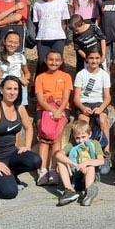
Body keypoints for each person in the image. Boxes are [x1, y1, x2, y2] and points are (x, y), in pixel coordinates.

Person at [0, 76, 41, 199]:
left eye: (16, 89)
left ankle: (10, 174)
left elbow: (29, 127)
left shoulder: (20, 108)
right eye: (9, 88)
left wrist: (27, 146)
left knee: (35, 160)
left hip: (11, 154)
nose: (12, 92)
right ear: (1, 90)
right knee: (10, 192)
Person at [34, 51, 73, 185]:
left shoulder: (66, 76)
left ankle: (53, 169)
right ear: (46, 60)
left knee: (56, 137)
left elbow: (66, 97)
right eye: (51, 59)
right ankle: (42, 170)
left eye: (57, 60)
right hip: (44, 109)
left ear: (61, 62)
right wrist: (52, 110)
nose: (54, 62)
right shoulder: (40, 77)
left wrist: (59, 110)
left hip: (62, 109)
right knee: (44, 137)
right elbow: (40, 99)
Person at [72, 48, 112, 168]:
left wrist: (101, 108)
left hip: (99, 103)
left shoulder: (104, 75)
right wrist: (83, 108)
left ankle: (106, 150)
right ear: (87, 59)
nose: (94, 61)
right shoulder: (81, 74)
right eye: (91, 58)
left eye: (96, 58)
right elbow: (76, 98)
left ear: (100, 59)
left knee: (102, 120)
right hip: (84, 103)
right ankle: (83, 150)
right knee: (83, 122)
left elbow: (107, 97)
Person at [53, 120, 104, 207]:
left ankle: (88, 192)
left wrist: (85, 163)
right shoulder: (72, 145)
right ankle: (69, 191)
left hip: (89, 174)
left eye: (83, 137)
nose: (80, 141)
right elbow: (58, 154)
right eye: (78, 138)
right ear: (74, 137)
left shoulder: (95, 144)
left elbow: (101, 161)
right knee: (60, 162)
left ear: (90, 134)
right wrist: (72, 164)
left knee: (91, 166)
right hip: (76, 173)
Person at [32, 0, 70, 71]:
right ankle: (41, 84)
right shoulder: (37, 5)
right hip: (42, 39)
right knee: (43, 63)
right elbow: (36, 24)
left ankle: (60, 85)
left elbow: (64, 23)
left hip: (58, 38)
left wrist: (64, 38)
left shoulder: (62, 4)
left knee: (57, 63)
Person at [0, 31, 30, 106]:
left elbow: (27, 73)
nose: (12, 45)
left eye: (15, 42)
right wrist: (19, 79)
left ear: (19, 44)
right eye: (10, 41)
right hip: (5, 88)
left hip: (19, 88)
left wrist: (26, 80)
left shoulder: (21, 57)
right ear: (4, 42)